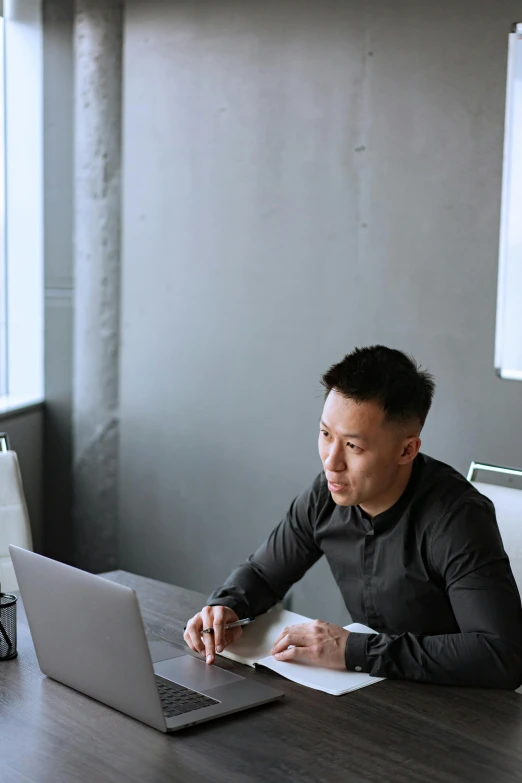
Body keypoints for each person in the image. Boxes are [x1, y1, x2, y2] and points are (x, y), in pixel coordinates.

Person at [184, 345, 522, 688]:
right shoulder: (326, 494)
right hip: (368, 693)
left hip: (456, 708)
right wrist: (226, 607)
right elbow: (263, 574)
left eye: (353, 446)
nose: (331, 461)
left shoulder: (456, 518)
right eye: (326, 434)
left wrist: (354, 651)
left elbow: (500, 654)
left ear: (407, 450)